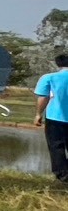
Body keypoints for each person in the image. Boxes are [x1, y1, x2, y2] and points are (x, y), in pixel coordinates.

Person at [35, 53, 68, 185]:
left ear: (57, 64)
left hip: (55, 117)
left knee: (56, 146)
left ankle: (62, 175)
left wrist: (38, 114)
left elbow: (43, 97)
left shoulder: (49, 78)